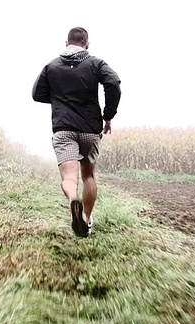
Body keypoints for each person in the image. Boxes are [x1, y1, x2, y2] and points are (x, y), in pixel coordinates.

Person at [32, 27, 121, 237]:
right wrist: (108, 116)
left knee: (69, 177)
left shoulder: (52, 65)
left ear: (66, 43)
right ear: (87, 44)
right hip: (90, 129)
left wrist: (60, 99)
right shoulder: (96, 63)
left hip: (63, 129)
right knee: (88, 175)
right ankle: (86, 219)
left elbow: (37, 93)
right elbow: (113, 83)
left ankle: (73, 199)